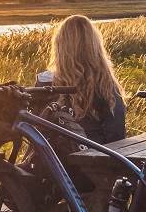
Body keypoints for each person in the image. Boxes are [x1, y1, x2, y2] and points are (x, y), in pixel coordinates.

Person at [47, 14, 126, 144]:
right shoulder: (104, 84)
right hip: (94, 158)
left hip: (52, 159)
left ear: (60, 46)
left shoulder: (46, 84)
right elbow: (116, 136)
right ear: (95, 46)